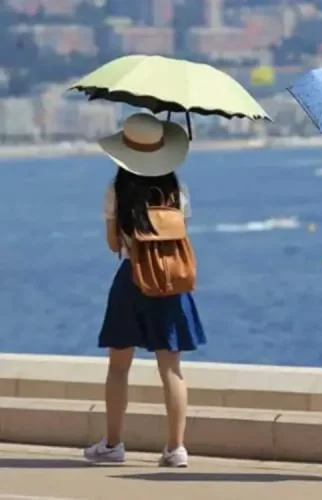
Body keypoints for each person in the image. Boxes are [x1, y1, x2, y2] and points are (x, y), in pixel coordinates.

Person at [83, 113, 206, 468]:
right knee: (171, 368)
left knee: (119, 366)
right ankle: (175, 448)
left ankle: (113, 444)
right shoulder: (175, 188)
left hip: (131, 279)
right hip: (170, 280)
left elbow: (112, 244)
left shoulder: (116, 189)